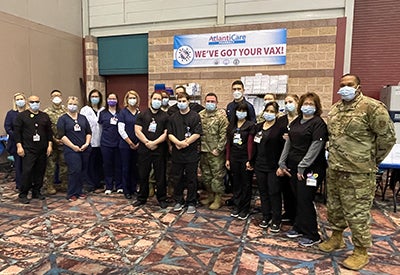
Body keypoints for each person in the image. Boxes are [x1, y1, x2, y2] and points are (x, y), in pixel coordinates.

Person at [319, 74, 396, 270]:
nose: (345, 88)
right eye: (342, 85)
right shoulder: (336, 109)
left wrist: (371, 160)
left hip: (359, 173)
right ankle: (337, 238)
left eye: (349, 85)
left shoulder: (372, 107)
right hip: (336, 168)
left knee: (357, 213)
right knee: (335, 207)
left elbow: (387, 138)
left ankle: (361, 251)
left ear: (358, 86)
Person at [277, 92, 328, 247]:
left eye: (311, 104)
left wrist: (303, 166)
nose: (307, 107)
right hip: (293, 166)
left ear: (316, 107)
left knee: (306, 199)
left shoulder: (318, 123)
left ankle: (312, 234)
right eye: (305, 104)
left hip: (311, 169)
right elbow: (289, 142)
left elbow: (316, 147)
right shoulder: (296, 121)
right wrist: (282, 162)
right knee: (297, 197)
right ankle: (299, 226)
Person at [250, 102, 287, 232]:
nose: (269, 113)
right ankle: (266, 216)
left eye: (272, 111)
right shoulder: (258, 127)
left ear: (277, 114)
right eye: (267, 111)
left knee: (274, 193)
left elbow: (284, 148)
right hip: (259, 165)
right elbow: (254, 145)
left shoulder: (280, 128)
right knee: (263, 193)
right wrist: (251, 161)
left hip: (273, 166)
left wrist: (281, 166)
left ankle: (276, 219)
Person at [132, 91, 169, 208]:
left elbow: (166, 133)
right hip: (144, 149)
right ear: (150, 100)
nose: (157, 101)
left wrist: (155, 142)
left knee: (160, 175)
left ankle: (162, 198)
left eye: (159, 99)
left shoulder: (165, 116)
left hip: (159, 149)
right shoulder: (142, 114)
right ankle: (142, 198)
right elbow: (137, 130)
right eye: (155, 99)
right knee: (143, 174)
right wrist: (147, 142)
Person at [14, 95, 53, 204]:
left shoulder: (44, 116)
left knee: (40, 171)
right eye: (32, 102)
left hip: (42, 149)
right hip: (28, 149)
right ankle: (23, 194)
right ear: (28, 103)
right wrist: (19, 146)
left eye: (37, 101)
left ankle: (37, 191)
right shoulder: (22, 116)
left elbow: (49, 132)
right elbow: (17, 133)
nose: (35, 103)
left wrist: (50, 145)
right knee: (27, 171)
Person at [168, 91, 202, 214]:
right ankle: (179, 200)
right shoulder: (173, 117)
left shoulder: (195, 116)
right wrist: (178, 143)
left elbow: (197, 133)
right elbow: (170, 133)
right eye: (179, 101)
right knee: (177, 178)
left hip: (191, 153)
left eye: (184, 101)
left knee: (191, 178)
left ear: (188, 102)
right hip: (177, 152)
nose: (181, 103)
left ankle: (191, 202)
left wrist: (186, 143)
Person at [57, 96, 92, 201]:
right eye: (71, 104)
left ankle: (79, 191)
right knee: (75, 170)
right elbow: (61, 135)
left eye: (75, 104)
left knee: (83, 170)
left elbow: (89, 132)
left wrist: (86, 143)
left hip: (84, 148)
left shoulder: (82, 118)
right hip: (71, 150)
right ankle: (71, 193)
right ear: (67, 105)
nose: (73, 106)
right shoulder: (63, 119)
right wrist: (73, 146)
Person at [199, 93, 228, 210]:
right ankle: (210, 195)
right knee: (206, 176)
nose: (210, 103)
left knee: (217, 176)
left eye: (212, 101)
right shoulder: (200, 115)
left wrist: (219, 148)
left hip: (216, 152)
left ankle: (218, 198)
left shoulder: (221, 117)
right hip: (203, 150)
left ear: (216, 103)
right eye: (208, 101)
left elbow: (224, 134)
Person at [226, 101, 255, 219]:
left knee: (246, 184)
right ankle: (237, 206)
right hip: (234, 157)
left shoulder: (250, 125)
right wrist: (227, 159)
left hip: (245, 158)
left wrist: (250, 160)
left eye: (243, 111)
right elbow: (228, 144)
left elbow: (251, 144)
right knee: (236, 183)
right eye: (239, 110)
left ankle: (245, 208)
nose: (241, 113)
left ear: (247, 113)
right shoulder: (232, 125)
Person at [279, 94, 300, 224]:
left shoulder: (302, 120)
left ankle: (299, 215)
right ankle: (288, 212)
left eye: (290, 101)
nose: (288, 105)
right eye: (286, 102)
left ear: (297, 102)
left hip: (297, 158)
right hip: (282, 158)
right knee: (285, 189)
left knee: (297, 190)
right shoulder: (281, 120)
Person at [43, 89, 67, 194]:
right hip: (51, 142)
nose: (56, 97)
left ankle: (65, 184)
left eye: (58, 95)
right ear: (51, 98)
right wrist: (53, 139)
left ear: (61, 97)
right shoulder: (46, 112)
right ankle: (49, 186)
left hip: (64, 142)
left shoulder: (66, 111)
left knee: (64, 164)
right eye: (54, 95)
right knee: (50, 166)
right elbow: (45, 129)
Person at [80, 89, 105, 191]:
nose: (95, 98)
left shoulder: (103, 110)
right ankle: (90, 184)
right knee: (89, 163)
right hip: (89, 141)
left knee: (99, 163)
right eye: (93, 96)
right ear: (89, 98)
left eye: (97, 96)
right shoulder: (85, 110)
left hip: (101, 141)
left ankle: (99, 182)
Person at [118, 90, 140, 199]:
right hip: (125, 145)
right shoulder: (123, 113)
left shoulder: (139, 112)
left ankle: (133, 188)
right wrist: (130, 143)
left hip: (138, 145)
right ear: (126, 99)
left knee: (135, 167)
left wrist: (139, 142)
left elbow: (142, 128)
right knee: (126, 167)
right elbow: (121, 130)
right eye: (130, 98)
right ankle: (126, 190)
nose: (132, 100)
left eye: (134, 97)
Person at [98, 93, 122, 194]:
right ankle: (108, 186)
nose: (112, 100)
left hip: (118, 143)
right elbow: (100, 127)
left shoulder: (121, 113)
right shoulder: (103, 113)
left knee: (118, 165)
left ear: (117, 100)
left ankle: (119, 186)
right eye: (110, 98)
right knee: (107, 165)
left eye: (114, 98)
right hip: (106, 143)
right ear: (107, 100)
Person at [4, 92, 27, 190]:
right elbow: (7, 127)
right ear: (14, 101)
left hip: (29, 143)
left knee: (29, 165)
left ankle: (29, 183)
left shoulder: (28, 112)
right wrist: (17, 136)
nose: (20, 101)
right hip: (15, 143)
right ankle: (20, 185)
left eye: (21, 99)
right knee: (19, 165)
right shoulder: (11, 113)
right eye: (17, 99)